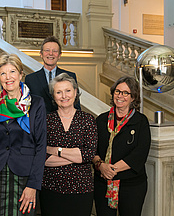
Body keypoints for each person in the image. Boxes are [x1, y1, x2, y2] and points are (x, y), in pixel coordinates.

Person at [0, 54, 47, 216]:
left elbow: (41, 146)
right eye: (3, 73)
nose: (8, 77)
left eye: (12, 72)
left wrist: (33, 185)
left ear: (21, 74)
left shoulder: (36, 104)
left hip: (25, 174)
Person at [39, 73, 97, 216]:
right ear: (53, 96)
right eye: (59, 92)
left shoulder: (87, 120)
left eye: (68, 91)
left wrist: (55, 150)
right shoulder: (46, 121)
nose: (64, 96)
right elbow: (41, 157)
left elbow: (88, 155)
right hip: (51, 189)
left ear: (75, 92)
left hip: (81, 190)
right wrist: (75, 156)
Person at [93, 76, 151, 216]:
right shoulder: (101, 120)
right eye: (118, 91)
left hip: (132, 186)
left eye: (126, 93)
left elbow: (140, 154)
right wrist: (101, 166)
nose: (120, 96)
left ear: (133, 98)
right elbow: (92, 150)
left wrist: (111, 169)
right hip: (103, 184)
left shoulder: (140, 121)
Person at [25, 35, 80, 113]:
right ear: (41, 54)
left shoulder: (70, 76)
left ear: (59, 55)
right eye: (47, 50)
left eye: (55, 51)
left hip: (64, 122)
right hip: (39, 123)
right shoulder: (30, 79)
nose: (50, 54)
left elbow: (76, 105)